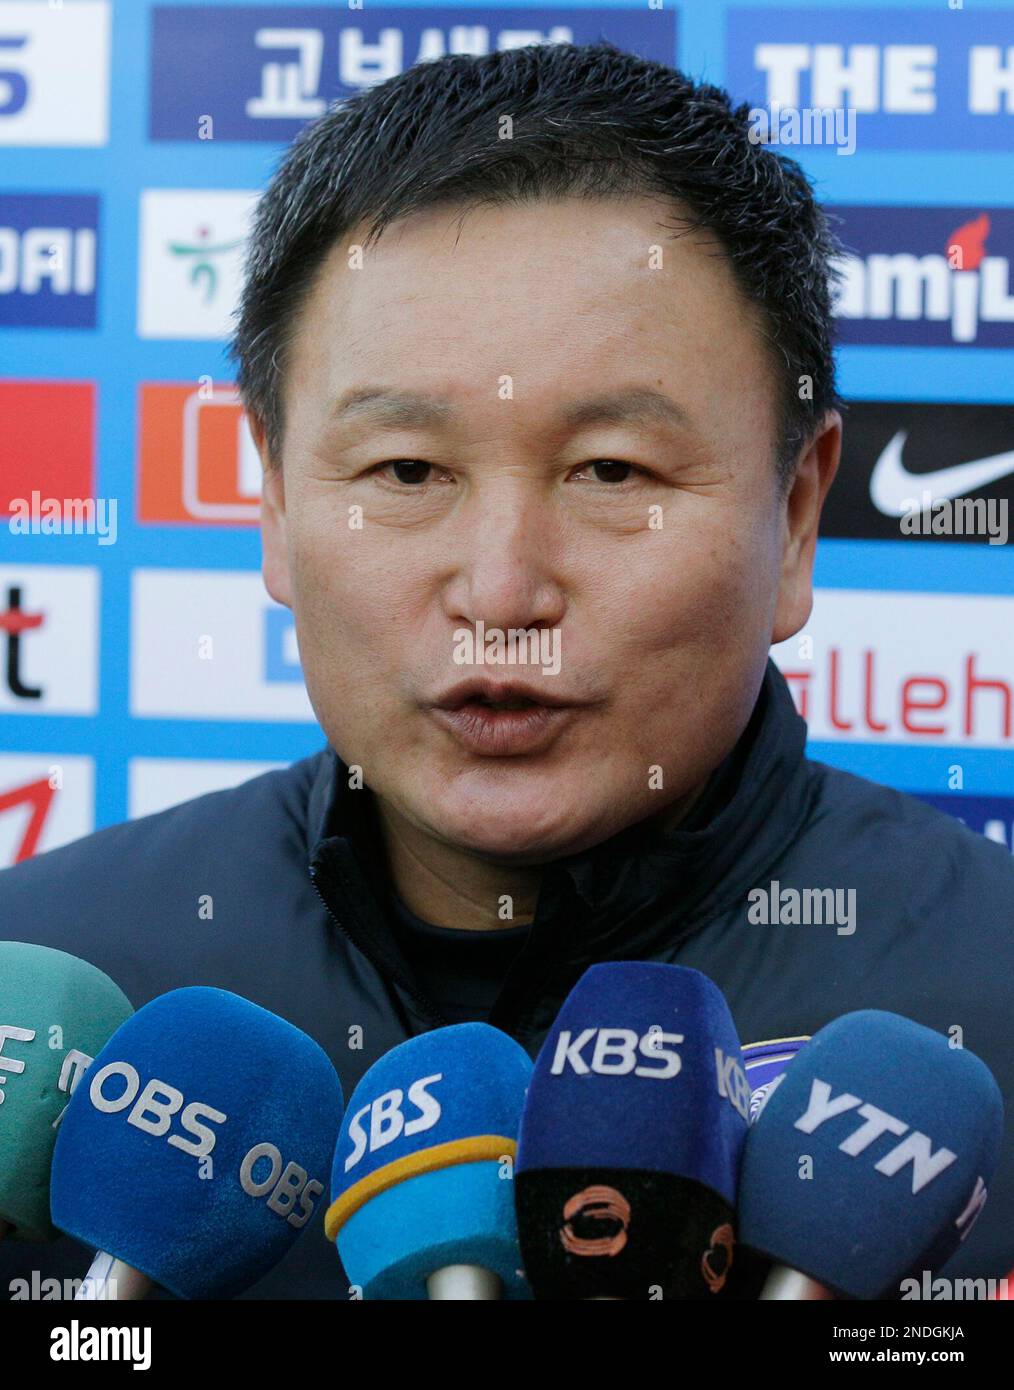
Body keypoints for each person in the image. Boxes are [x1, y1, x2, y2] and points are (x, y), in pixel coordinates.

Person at [2, 42, 1012, 1299]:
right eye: (408, 473)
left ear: (798, 514)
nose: (502, 592)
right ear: (269, 502)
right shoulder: (49, 989)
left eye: (612, 472)